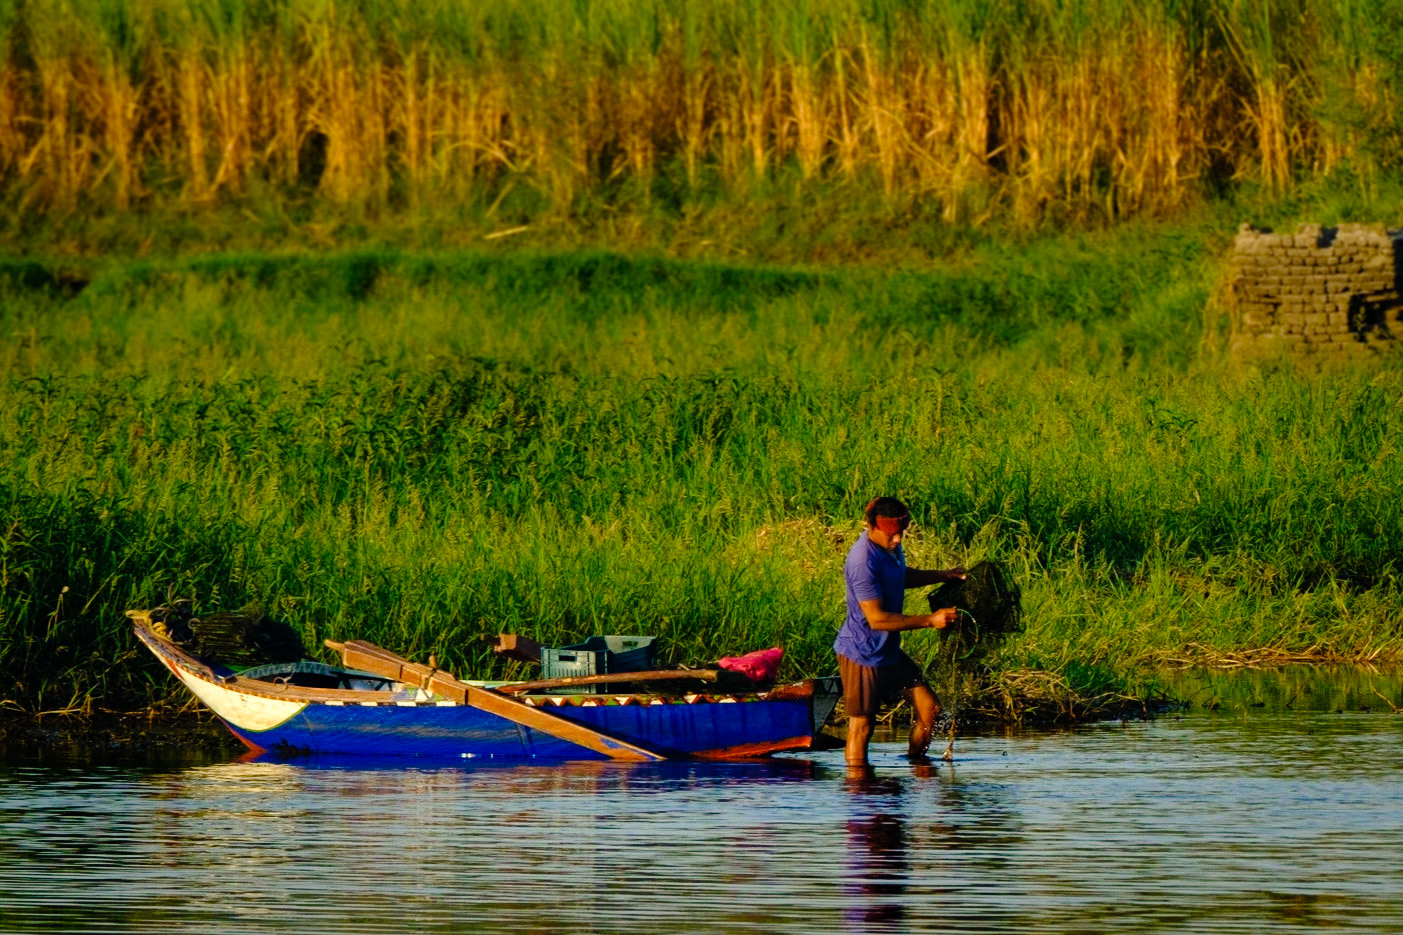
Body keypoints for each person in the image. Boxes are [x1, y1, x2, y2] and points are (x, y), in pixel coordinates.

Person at [836, 496, 965, 767]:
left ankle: (918, 767)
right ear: (872, 526)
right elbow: (877, 619)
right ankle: (859, 786)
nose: (897, 540)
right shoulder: (862, 561)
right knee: (862, 725)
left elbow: (900, 575)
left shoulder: (890, 547)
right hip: (862, 652)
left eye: (901, 533)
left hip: (889, 650)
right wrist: (930, 620)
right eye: (891, 535)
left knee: (930, 708)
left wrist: (943, 575)